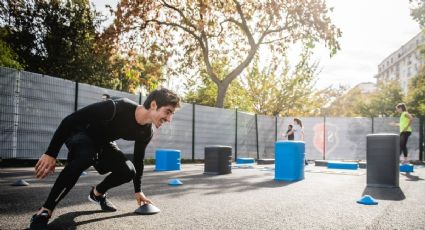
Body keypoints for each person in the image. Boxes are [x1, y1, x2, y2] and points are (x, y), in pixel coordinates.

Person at [29, 88, 180, 230]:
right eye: (168, 112)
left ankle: (97, 194)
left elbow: (138, 160)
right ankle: (45, 210)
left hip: (102, 142)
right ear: (153, 105)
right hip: (80, 133)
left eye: (171, 114)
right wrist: (51, 153)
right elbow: (70, 120)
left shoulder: (146, 132)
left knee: (128, 171)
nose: (169, 119)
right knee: (85, 157)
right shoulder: (117, 107)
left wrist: (138, 190)